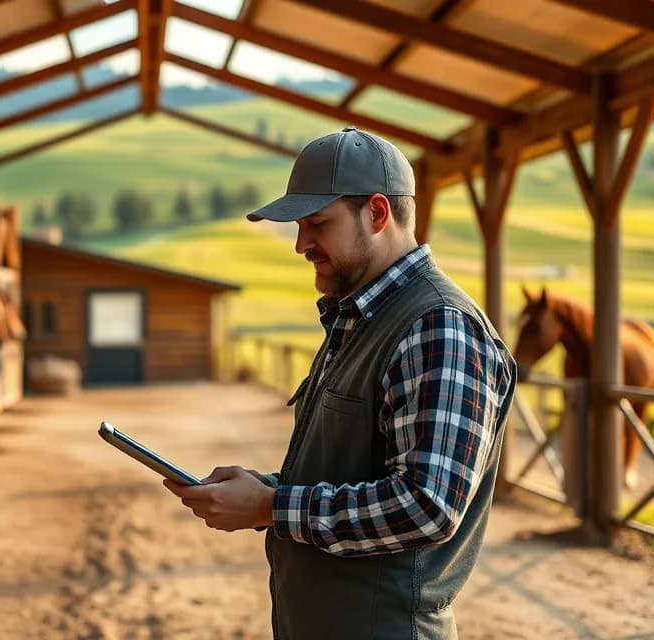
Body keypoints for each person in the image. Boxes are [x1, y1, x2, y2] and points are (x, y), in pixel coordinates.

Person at [164, 127, 517, 639]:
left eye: (317, 224)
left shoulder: (438, 326)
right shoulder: (361, 319)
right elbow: (356, 471)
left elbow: (426, 507)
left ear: (377, 213)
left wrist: (270, 507)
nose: (301, 245)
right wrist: (267, 489)